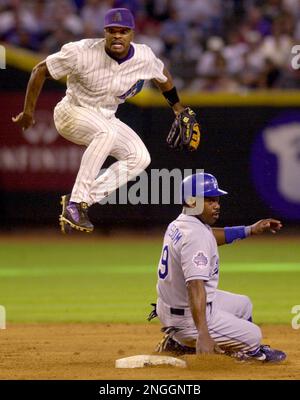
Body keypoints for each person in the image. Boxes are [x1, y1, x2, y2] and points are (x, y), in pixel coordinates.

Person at [12, 8, 186, 233]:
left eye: (123, 31)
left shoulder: (144, 56)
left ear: (132, 33)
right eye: (111, 31)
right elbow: (39, 70)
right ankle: (75, 204)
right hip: (72, 112)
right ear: (104, 32)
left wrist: (179, 109)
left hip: (106, 116)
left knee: (140, 157)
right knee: (106, 133)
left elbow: (163, 75)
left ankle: (80, 200)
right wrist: (28, 112)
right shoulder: (81, 51)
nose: (117, 36)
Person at [150, 172, 286, 362]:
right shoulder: (196, 236)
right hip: (187, 318)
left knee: (244, 304)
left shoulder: (182, 222)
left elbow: (209, 236)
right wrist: (203, 334)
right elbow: (195, 286)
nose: (217, 205)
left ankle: (178, 342)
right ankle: (248, 353)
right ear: (191, 201)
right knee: (254, 335)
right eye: (210, 200)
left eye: (217, 200)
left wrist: (250, 230)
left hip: (170, 307)